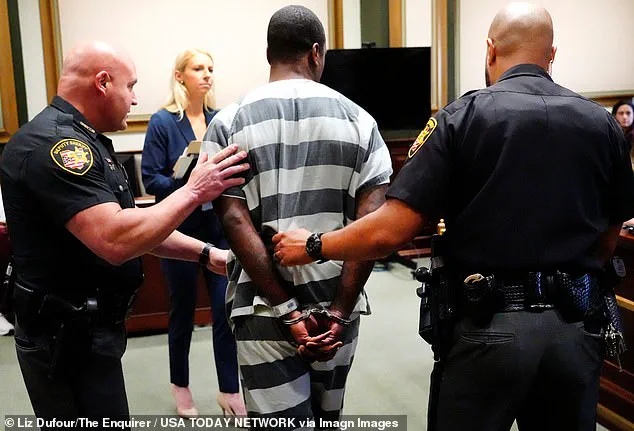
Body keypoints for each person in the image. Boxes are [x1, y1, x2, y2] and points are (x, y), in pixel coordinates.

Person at [273, 3, 634, 430]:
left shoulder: (461, 118)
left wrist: (313, 245)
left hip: (488, 329)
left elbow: (391, 230)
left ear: (490, 48)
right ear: (552, 54)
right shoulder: (603, 124)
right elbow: (609, 236)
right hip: (576, 330)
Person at [0, 41, 248, 424]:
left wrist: (205, 254)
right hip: (65, 339)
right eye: (130, 86)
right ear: (102, 83)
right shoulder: (57, 146)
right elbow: (115, 240)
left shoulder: (85, 139)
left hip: (85, 332)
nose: (134, 100)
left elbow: (135, 224)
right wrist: (194, 190)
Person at [201, 5, 392, 423]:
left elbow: (233, 221)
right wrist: (339, 312)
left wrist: (287, 310)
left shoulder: (228, 124)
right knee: (328, 419)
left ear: (269, 53)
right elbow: (371, 224)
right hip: (335, 308)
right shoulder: (361, 122)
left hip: (261, 309)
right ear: (316, 53)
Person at [141, 48, 245, 418]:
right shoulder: (162, 121)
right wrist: (183, 178)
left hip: (217, 229)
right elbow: (150, 179)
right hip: (179, 231)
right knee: (182, 312)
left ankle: (229, 389)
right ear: (180, 75)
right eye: (198, 68)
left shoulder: (221, 119)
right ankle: (180, 386)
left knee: (224, 310)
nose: (207, 74)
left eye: (210, 68)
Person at [612, 100, 634, 165]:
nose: (625, 117)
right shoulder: (611, 135)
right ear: (615, 115)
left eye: (628, 113)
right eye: (621, 113)